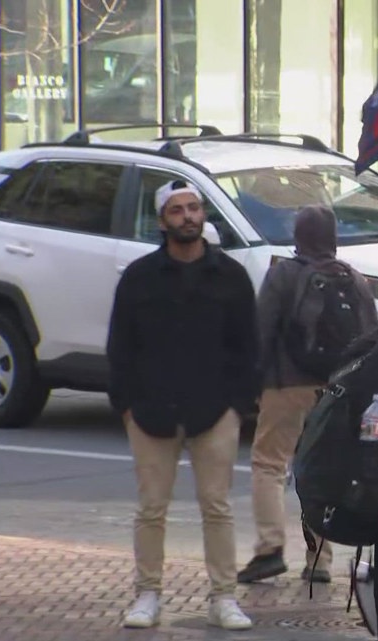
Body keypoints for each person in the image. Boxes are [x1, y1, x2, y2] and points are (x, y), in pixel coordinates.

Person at [107, 180, 260, 631]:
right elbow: (121, 345)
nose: (188, 216)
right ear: (162, 221)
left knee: (217, 506)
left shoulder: (230, 276)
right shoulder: (139, 278)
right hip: (150, 411)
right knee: (152, 508)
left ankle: (224, 597)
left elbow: (248, 345)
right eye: (178, 210)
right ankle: (147, 594)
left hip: (215, 410)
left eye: (194, 208)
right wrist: (126, 405)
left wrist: (237, 404)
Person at [238, 205, 378, 585]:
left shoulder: (283, 274)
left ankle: (270, 547)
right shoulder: (354, 280)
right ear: (332, 238)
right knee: (318, 470)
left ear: (298, 237)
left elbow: (261, 332)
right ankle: (319, 559)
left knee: (268, 463)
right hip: (337, 392)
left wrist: (254, 387)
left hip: (287, 385)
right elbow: (371, 340)